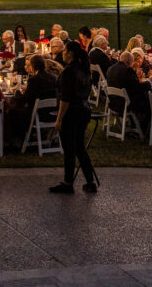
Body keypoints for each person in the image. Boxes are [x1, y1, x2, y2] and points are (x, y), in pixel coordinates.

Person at [50, 41, 98, 194]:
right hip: (84, 110)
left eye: (64, 51)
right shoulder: (84, 70)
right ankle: (89, 181)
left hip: (71, 112)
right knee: (80, 147)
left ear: (70, 53)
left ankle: (68, 181)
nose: (62, 53)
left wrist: (59, 119)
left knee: (69, 149)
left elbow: (65, 98)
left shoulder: (68, 72)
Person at [106, 51, 151, 129]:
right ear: (130, 61)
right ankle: (144, 128)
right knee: (148, 102)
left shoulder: (111, 69)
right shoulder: (128, 70)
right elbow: (137, 87)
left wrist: (136, 77)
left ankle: (135, 124)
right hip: (125, 104)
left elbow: (130, 84)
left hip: (113, 101)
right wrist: (149, 82)